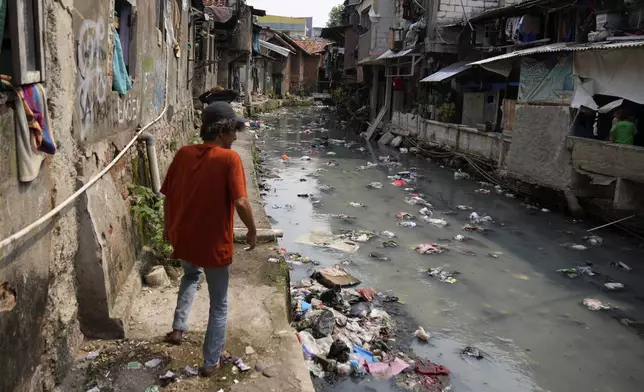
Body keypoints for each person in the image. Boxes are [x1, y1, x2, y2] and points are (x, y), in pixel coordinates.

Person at [160, 101, 257, 377]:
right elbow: (241, 202)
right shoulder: (229, 159)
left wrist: (169, 229)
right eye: (234, 131)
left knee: (190, 277)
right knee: (219, 303)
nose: (236, 137)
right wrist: (251, 230)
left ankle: (178, 329)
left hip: (186, 239)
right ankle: (210, 361)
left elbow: (167, 195)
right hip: (215, 246)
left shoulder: (182, 154)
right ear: (224, 130)